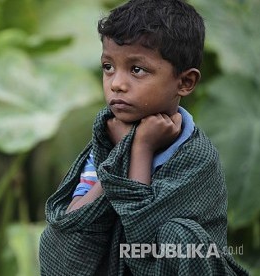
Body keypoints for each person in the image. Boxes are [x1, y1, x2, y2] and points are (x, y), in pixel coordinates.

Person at [38, 0, 249, 275]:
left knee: (179, 236)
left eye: (137, 70)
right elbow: (72, 225)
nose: (116, 83)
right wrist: (117, 160)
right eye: (108, 67)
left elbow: (145, 251)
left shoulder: (196, 158)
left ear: (185, 82)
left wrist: (141, 150)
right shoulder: (105, 141)